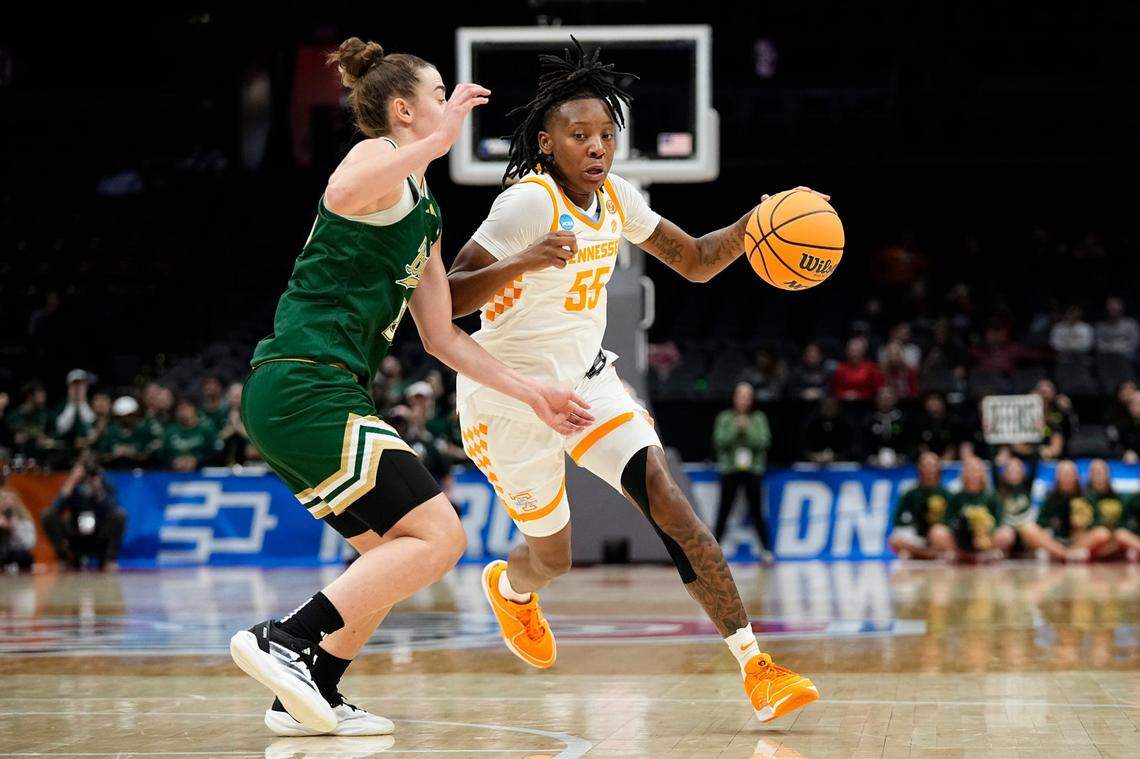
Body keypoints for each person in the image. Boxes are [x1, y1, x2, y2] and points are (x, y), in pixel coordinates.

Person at [227, 37, 592, 740]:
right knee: (442, 534)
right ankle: (287, 637)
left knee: (394, 547)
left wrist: (533, 392)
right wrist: (441, 138)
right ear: (403, 110)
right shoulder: (372, 160)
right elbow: (341, 193)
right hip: (306, 382)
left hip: (316, 393)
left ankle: (310, 690)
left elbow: (444, 335)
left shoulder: (421, 209)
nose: (451, 104)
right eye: (439, 95)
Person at [445, 38, 818, 724]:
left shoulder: (618, 198)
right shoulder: (525, 204)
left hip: (588, 386)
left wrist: (755, 223)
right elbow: (450, 297)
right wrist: (524, 260)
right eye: (578, 134)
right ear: (547, 142)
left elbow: (699, 260)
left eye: (606, 135)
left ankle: (757, 665)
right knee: (550, 558)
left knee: (668, 499)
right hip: (507, 397)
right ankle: (512, 587)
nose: (596, 147)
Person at [712, 382, 772, 561]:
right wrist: (735, 429)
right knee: (724, 510)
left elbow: (763, 442)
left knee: (757, 511)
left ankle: (766, 550)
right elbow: (720, 441)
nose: (744, 400)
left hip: (752, 470)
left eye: (748, 396)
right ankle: (715, 551)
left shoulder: (759, 418)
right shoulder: (725, 418)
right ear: (734, 397)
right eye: (741, 395)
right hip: (730, 469)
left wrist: (747, 430)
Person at [41, 457, 127, 570]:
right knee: (47, 514)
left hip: (99, 535)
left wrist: (99, 492)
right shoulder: (73, 487)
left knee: (120, 515)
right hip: (76, 534)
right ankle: (64, 557)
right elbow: (56, 510)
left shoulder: (106, 485)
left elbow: (114, 510)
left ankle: (109, 559)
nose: (88, 476)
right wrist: (71, 482)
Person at [1020, 460, 1111, 562]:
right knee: (1027, 529)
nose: (1066, 478)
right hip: (1056, 540)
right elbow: (1041, 523)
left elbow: (1097, 524)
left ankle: (1060, 554)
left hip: (1079, 541)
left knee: (1103, 534)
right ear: (1057, 477)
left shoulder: (1088, 496)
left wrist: (1082, 526)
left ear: (1076, 476)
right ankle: (1066, 555)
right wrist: (1047, 533)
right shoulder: (1050, 497)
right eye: (1063, 474)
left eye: (1069, 474)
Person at [930, 457, 1013, 562]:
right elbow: (946, 522)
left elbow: (999, 522)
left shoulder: (993, 497)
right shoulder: (956, 497)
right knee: (937, 531)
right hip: (960, 540)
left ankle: (985, 554)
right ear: (963, 474)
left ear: (982, 474)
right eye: (969, 470)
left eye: (976, 470)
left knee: (1007, 533)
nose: (972, 474)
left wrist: (984, 531)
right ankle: (960, 554)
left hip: (986, 540)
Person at [888, 452, 950, 560]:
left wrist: (936, 526)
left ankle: (920, 554)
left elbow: (951, 518)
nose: (929, 469)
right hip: (917, 536)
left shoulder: (946, 494)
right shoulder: (910, 493)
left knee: (939, 534)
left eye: (932, 465)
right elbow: (897, 519)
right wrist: (914, 524)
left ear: (938, 469)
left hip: (937, 536)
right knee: (894, 540)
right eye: (926, 465)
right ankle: (930, 555)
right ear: (920, 468)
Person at [161, 399, 222, 471]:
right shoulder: (170, 431)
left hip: (202, 473)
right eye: (179, 410)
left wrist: (197, 461)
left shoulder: (206, 430)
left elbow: (216, 454)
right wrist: (173, 462)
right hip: (175, 474)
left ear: (194, 410)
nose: (183, 413)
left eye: (185, 408)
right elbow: (163, 455)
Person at [98, 396, 153, 469]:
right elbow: (101, 457)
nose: (129, 419)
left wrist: (131, 453)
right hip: (114, 471)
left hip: (139, 471)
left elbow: (149, 456)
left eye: (131, 415)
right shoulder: (111, 432)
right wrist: (113, 455)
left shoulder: (142, 431)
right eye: (125, 416)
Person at [995, 456, 1035, 555]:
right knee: (1004, 534)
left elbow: (1034, 462)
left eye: (1017, 470)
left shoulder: (1027, 487)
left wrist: (1025, 450)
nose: (1014, 473)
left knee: (1032, 530)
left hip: (1025, 531)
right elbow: (993, 466)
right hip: (1007, 531)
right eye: (1011, 470)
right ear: (1004, 473)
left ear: (1023, 473)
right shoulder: (999, 488)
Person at [862, 385, 907, 466]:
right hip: (873, 464)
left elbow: (910, 442)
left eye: (888, 397)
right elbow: (862, 443)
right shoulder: (868, 420)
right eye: (882, 398)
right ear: (876, 399)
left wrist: (903, 457)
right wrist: (870, 457)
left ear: (895, 399)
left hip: (901, 463)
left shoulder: (903, 419)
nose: (885, 401)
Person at [801, 396, 855, 463]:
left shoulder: (846, 423)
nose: (828, 408)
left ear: (837, 407)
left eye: (832, 406)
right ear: (821, 406)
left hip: (841, 462)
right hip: (812, 463)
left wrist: (836, 456)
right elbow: (803, 444)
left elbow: (851, 445)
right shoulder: (810, 422)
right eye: (826, 406)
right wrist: (812, 455)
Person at [831, 336, 883, 401]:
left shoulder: (872, 368)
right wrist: (844, 394)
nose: (854, 354)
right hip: (844, 403)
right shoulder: (840, 368)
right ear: (847, 352)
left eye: (858, 350)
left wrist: (860, 395)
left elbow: (877, 390)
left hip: (867, 403)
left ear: (863, 351)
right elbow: (835, 390)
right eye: (852, 351)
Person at [0, 487, 36, 572]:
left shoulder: (25, 522)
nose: (8, 503)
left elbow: (29, 544)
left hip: (17, 555)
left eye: (12, 500)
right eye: (4, 500)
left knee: (24, 556)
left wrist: (15, 528)